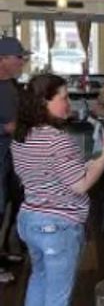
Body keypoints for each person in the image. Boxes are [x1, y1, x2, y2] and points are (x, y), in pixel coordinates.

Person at [11, 74, 104, 306]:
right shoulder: (56, 140)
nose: (68, 103)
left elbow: (45, 174)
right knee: (58, 297)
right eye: (64, 97)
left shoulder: (21, 136)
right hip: (57, 226)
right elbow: (81, 184)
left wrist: (85, 165)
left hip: (30, 219)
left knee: (39, 279)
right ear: (43, 102)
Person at [0, 36, 30, 283]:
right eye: (19, 57)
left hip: (12, 159)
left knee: (14, 203)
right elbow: (8, 124)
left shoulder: (11, 85)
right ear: (3, 59)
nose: (23, 61)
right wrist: (5, 128)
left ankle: (3, 252)